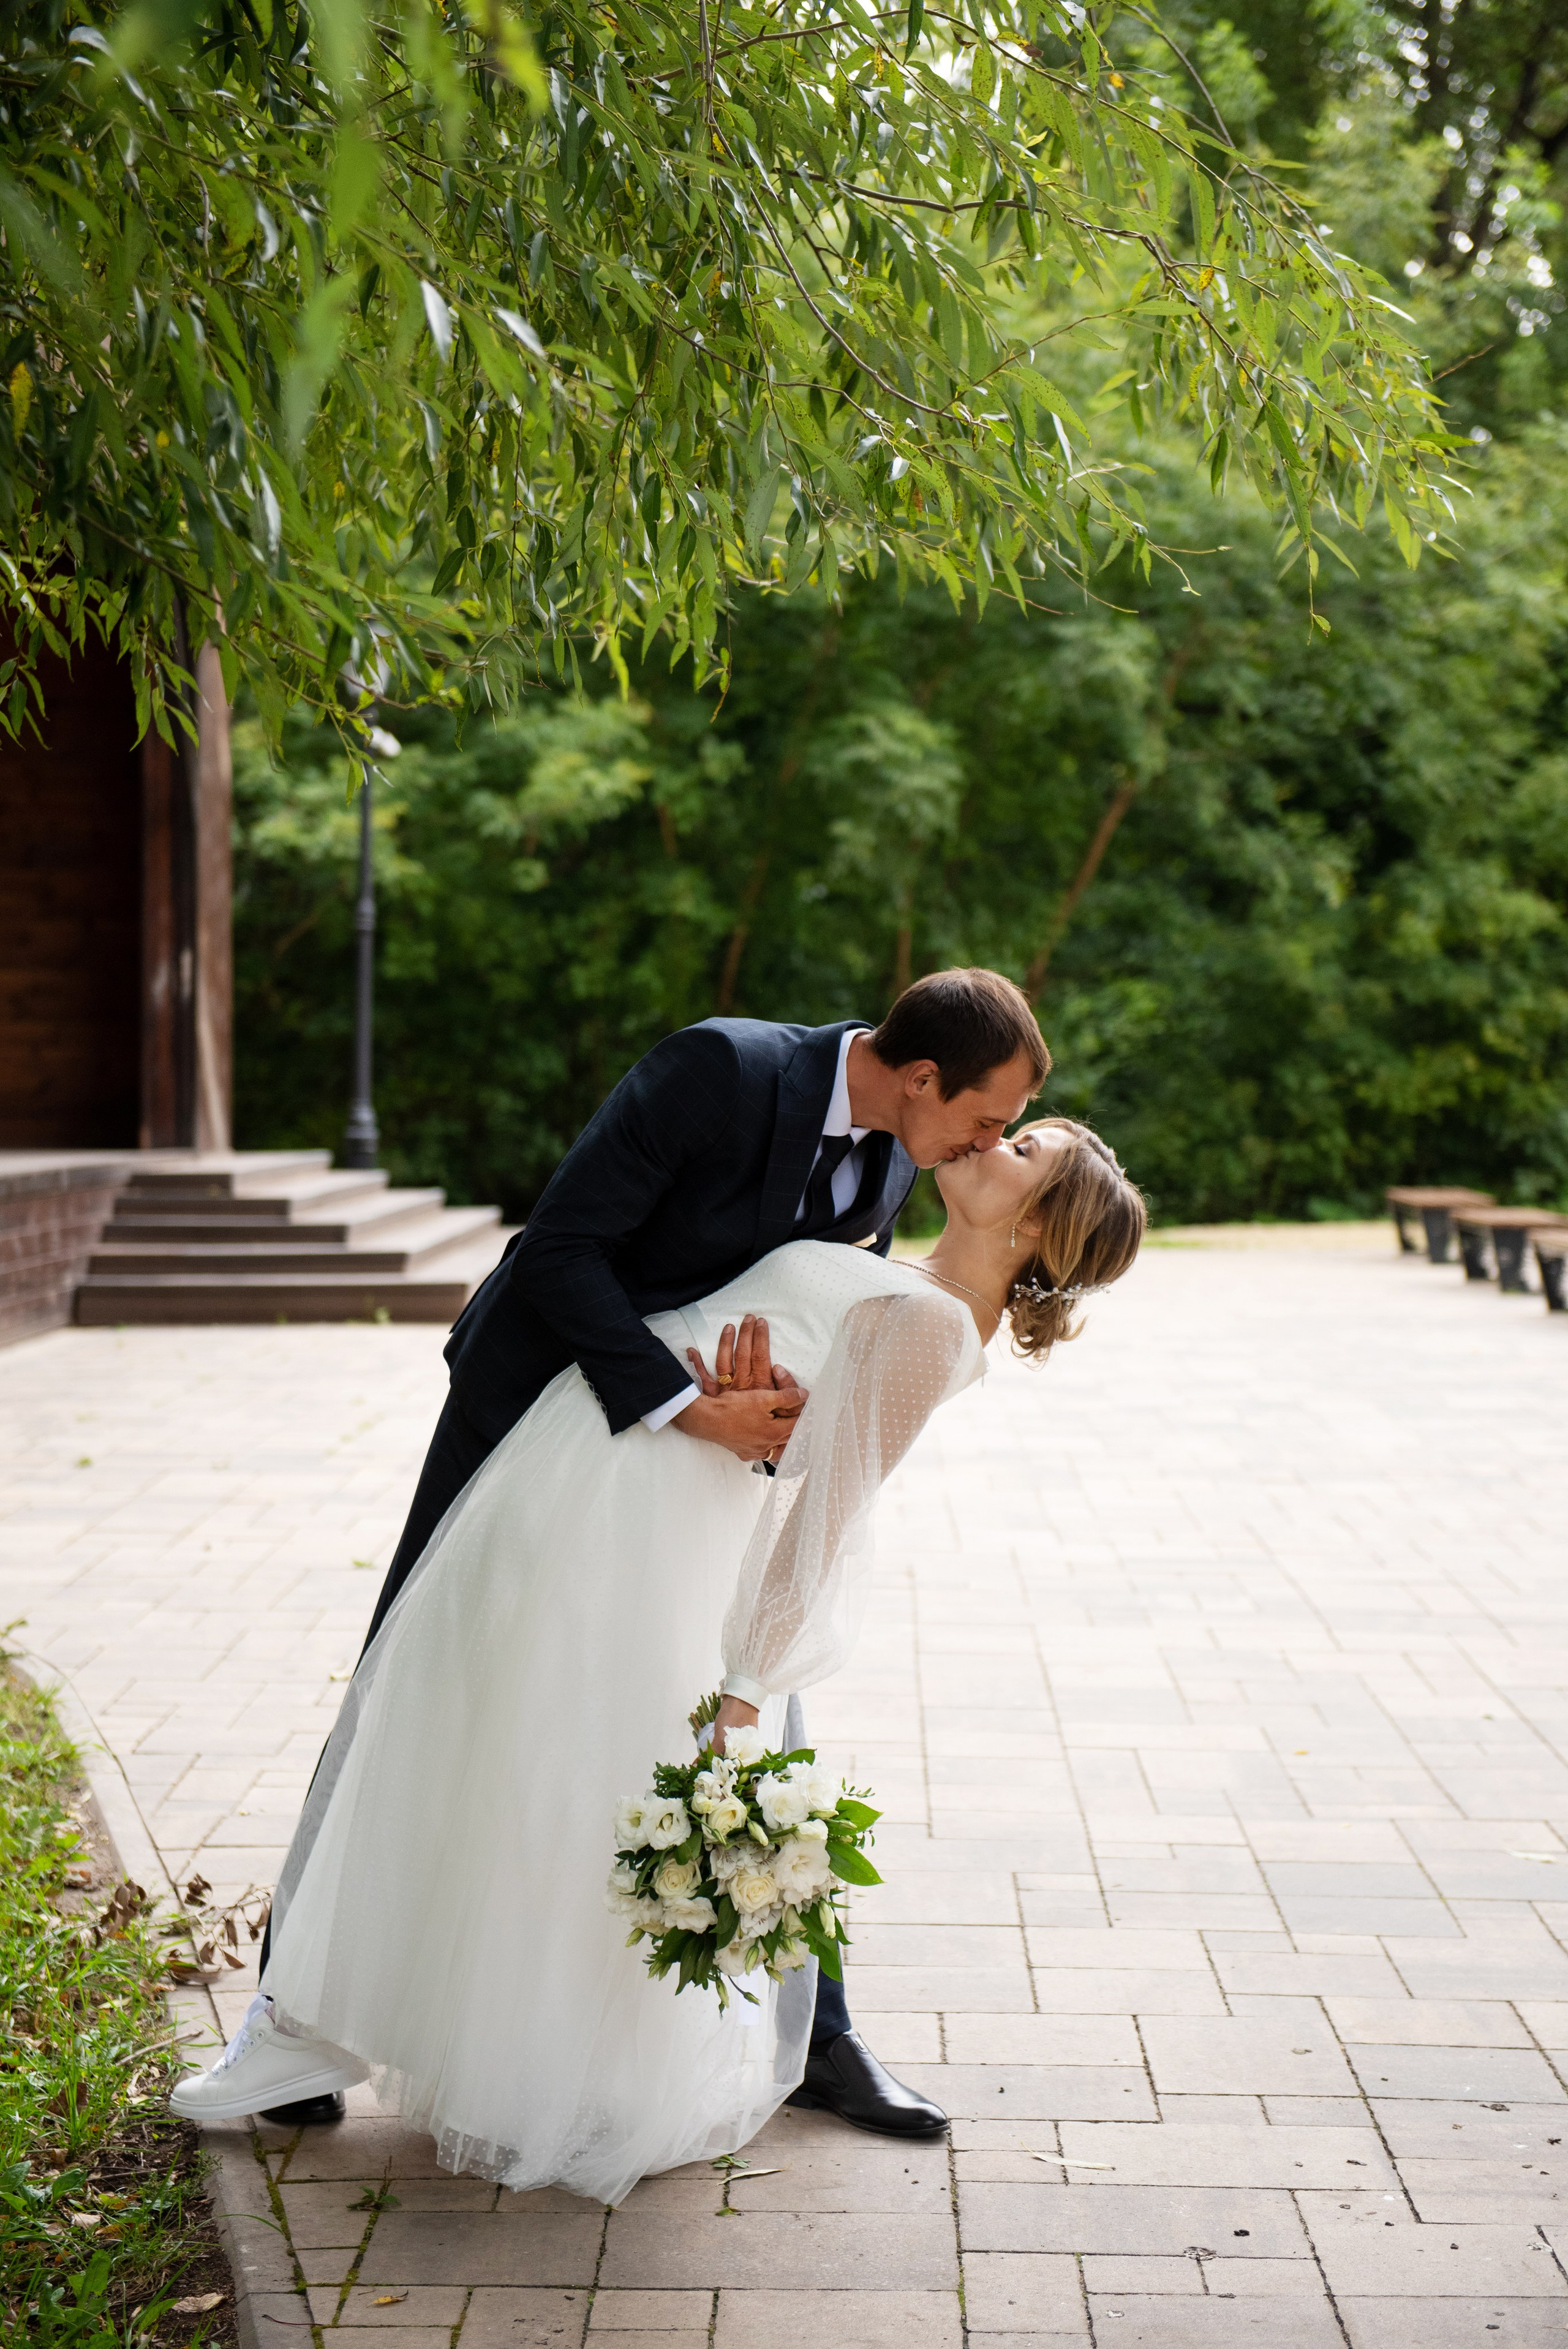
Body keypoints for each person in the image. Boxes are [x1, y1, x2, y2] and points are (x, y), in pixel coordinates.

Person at [169, 1107, 1146, 2204]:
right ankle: (325, 2018)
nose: (992, 1138)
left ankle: (507, 2058)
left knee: (547, 1764)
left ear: (1040, 1232)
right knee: (468, 1725)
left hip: (649, 1523)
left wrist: (745, 1688)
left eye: (1024, 1153)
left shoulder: (935, 1331)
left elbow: (827, 1518)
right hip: (594, 1458)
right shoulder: (896, 1254)